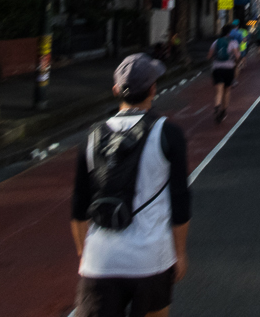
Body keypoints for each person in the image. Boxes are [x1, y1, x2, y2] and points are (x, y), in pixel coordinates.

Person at [71, 53, 189, 317]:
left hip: (100, 260)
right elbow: (180, 201)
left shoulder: (92, 135)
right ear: (153, 89)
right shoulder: (168, 133)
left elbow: (79, 205)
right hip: (151, 259)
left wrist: (85, 252)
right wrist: (180, 253)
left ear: (115, 90)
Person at [210, 24, 242, 124]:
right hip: (229, 69)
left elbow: (209, 56)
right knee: (227, 90)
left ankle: (217, 105)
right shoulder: (233, 43)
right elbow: (237, 57)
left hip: (217, 69)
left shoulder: (216, 42)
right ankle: (223, 111)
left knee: (219, 91)